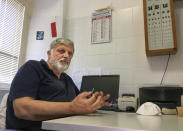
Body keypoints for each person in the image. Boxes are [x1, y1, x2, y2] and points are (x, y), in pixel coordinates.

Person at [6, 38, 111, 131]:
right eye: (61, 51)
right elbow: (21, 109)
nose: (66, 55)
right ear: (49, 53)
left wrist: (94, 102)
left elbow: (79, 103)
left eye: (70, 54)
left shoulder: (67, 79)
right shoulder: (33, 67)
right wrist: (71, 107)